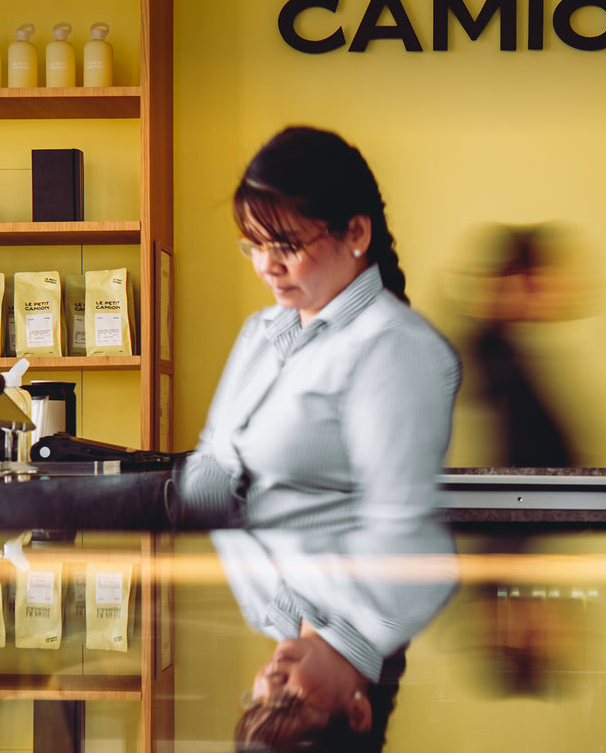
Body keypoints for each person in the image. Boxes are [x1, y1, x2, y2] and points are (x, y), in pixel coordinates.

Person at [172, 126, 462, 751]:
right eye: (257, 244)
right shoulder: (263, 334)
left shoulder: (395, 348)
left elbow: (397, 523)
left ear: (356, 236)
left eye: (259, 699)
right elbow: (208, 469)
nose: (265, 266)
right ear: (357, 713)